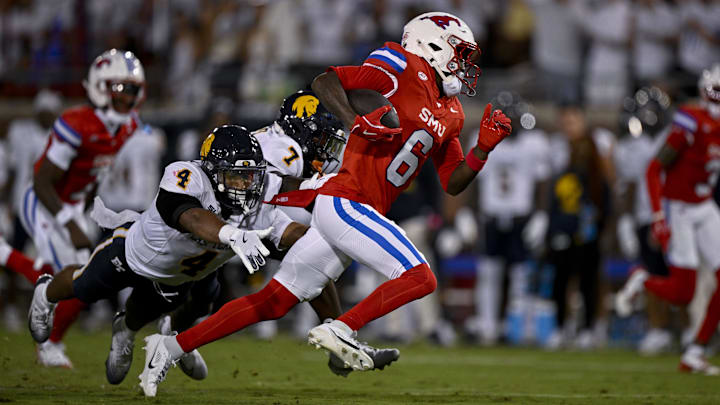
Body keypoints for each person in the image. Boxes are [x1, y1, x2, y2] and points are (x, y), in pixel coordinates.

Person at [137, 11, 512, 397]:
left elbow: (452, 181)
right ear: (431, 44)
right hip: (346, 200)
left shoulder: (452, 112)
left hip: (360, 208)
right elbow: (327, 81)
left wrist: (483, 148)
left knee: (274, 301)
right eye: (459, 54)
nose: (465, 66)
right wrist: (354, 121)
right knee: (420, 276)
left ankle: (169, 347)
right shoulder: (401, 64)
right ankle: (342, 329)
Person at [28, 125, 298, 385]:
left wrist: (326, 236)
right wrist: (233, 234)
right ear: (214, 172)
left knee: (148, 312)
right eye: (236, 176)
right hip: (134, 253)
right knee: (83, 285)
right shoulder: (186, 176)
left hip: (178, 274)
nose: (245, 184)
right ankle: (45, 293)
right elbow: (190, 216)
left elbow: (290, 233)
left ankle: (135, 332)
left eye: (249, 176)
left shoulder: (257, 203)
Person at [11, 49, 145, 367]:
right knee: (73, 277)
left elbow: (98, 169)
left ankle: (51, 341)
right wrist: (70, 223)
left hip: (73, 206)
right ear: (100, 87)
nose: (129, 97)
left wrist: (86, 210)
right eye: (121, 88)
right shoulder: (76, 123)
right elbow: (42, 181)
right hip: (45, 203)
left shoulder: (127, 126)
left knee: (86, 284)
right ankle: (46, 335)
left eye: (132, 89)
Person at [615, 64, 720, 374]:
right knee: (683, 292)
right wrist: (660, 216)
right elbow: (653, 169)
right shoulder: (692, 121)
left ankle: (695, 352)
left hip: (706, 205)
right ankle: (643, 279)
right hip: (682, 209)